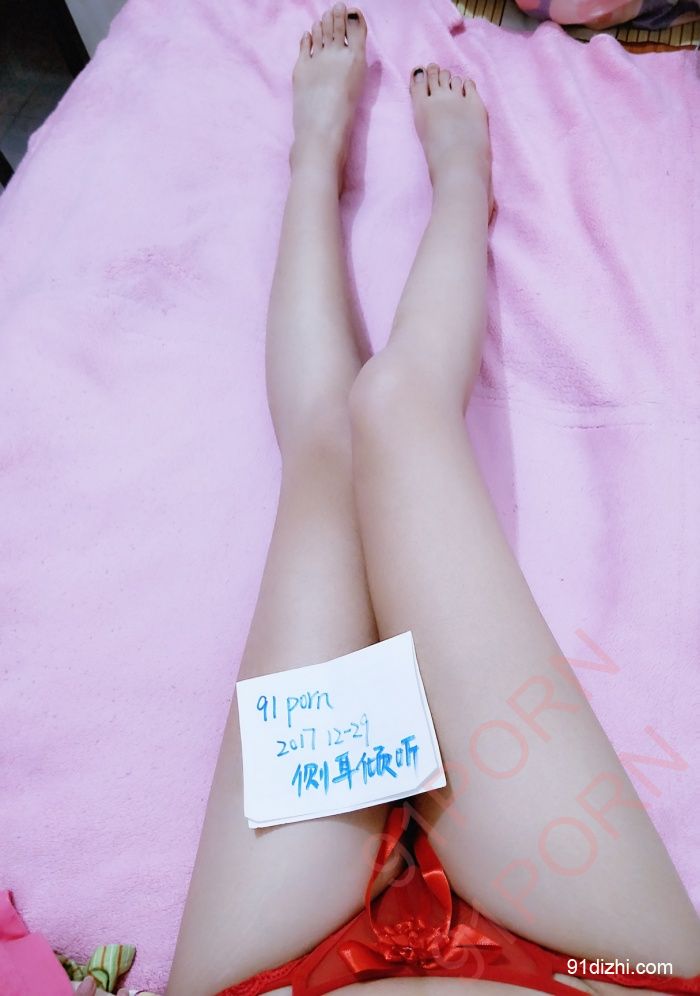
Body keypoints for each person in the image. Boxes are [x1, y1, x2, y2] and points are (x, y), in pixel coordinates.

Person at [166, 5, 700, 996]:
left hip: (271, 974)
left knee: (336, 439)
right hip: (605, 968)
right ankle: (455, 180)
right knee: (399, 406)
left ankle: (319, 157)